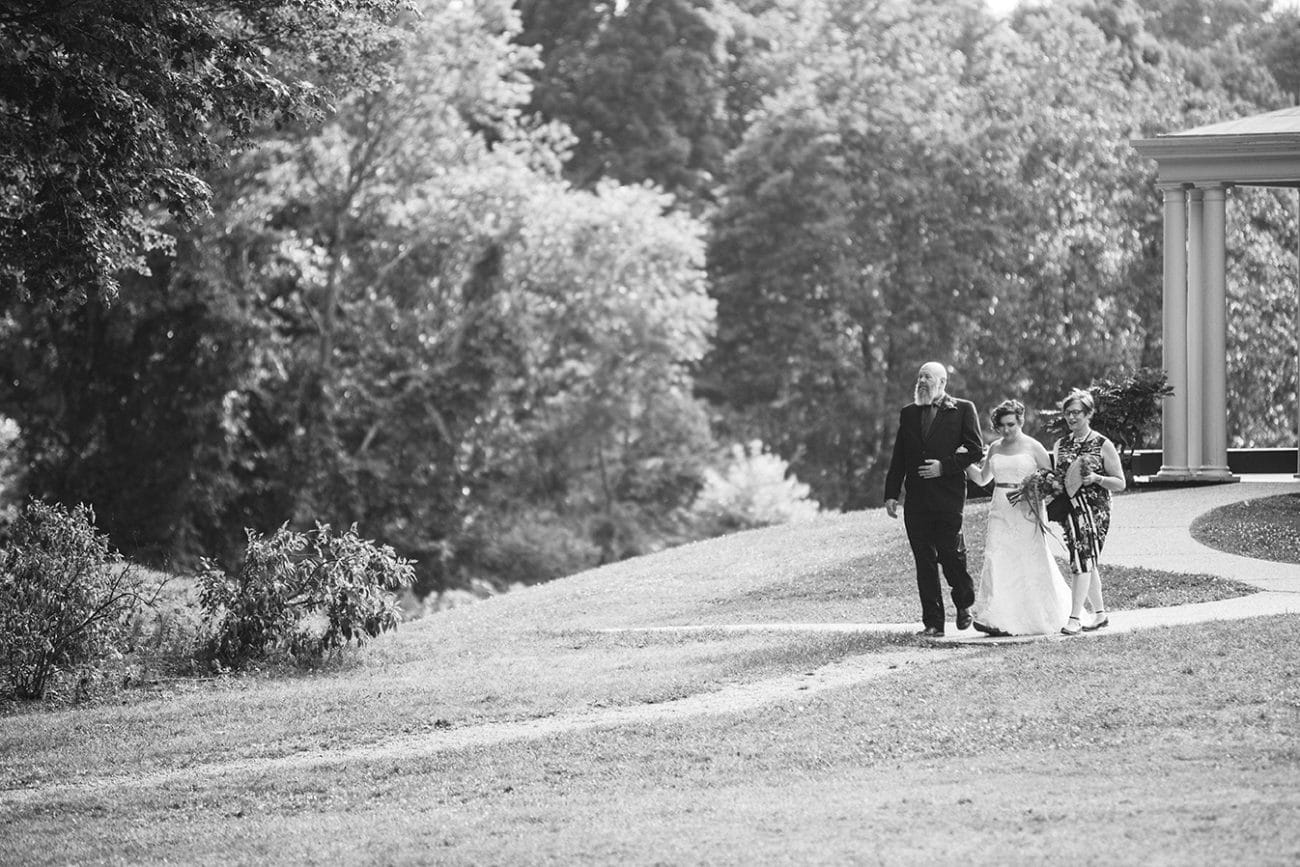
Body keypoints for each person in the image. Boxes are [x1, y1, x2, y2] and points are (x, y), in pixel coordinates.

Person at [884, 362, 985, 637]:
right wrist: (892, 494)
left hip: (948, 497)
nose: (921, 381)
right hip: (916, 500)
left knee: (949, 553)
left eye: (927, 376)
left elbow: (975, 449)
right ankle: (933, 623)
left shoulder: (963, 408)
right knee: (924, 561)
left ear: (942, 382)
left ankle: (964, 602)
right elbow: (899, 456)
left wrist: (945, 466)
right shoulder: (908, 413)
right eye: (919, 376)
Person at [965, 399, 1070, 636]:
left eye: (1011, 424)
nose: (1006, 430)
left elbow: (1052, 479)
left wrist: (1034, 490)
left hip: (1026, 508)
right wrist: (964, 462)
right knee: (997, 555)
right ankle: (996, 616)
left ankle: (1033, 615)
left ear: (1020, 421)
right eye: (1001, 426)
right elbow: (983, 479)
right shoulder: (994, 448)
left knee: (1028, 557)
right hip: (1000, 507)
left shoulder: (1034, 447)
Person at [1053, 389, 1126, 636]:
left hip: (1095, 510)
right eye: (1068, 413)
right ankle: (1100, 614)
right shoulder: (1060, 444)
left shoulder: (1102, 444)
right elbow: (1058, 477)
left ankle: (1075, 617)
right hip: (1070, 510)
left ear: (1088, 414)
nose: (1072, 418)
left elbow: (1120, 482)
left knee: (1082, 559)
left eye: (1077, 413)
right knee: (1087, 559)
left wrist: (1096, 478)